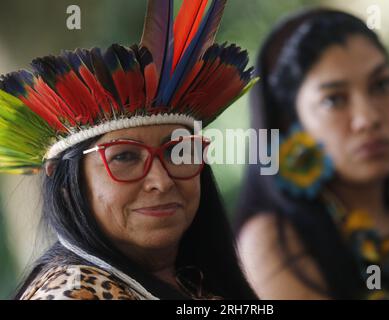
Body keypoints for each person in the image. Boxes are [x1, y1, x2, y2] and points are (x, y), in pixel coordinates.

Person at [0, 0, 257, 300]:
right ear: (66, 184)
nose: (161, 181)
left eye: (178, 153)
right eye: (124, 156)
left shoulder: (195, 281)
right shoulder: (73, 293)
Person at [235, 8, 389, 299]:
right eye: (333, 99)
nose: (368, 118)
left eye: (381, 85)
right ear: (290, 125)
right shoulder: (277, 242)